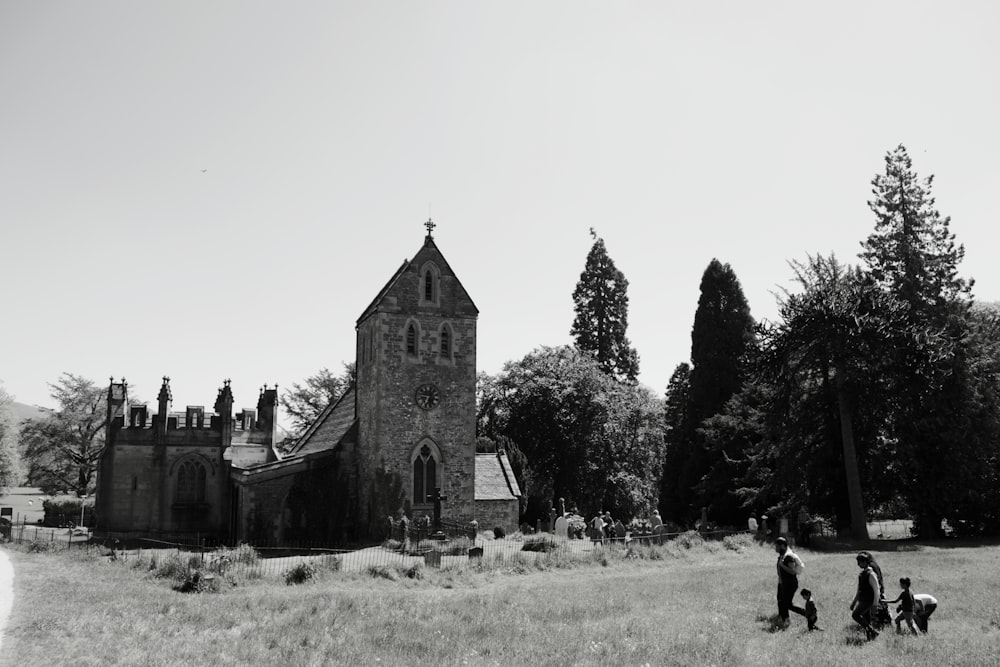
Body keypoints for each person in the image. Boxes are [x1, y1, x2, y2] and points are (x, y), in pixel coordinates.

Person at [774, 537, 806, 627]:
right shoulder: (782, 555)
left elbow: (792, 571)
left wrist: (781, 565)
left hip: (790, 584)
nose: (775, 548)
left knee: (787, 604)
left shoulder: (788, 556)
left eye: (777, 546)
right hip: (783, 583)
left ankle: (807, 613)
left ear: (783, 546)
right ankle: (784, 618)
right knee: (781, 601)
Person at [850, 552, 881, 640]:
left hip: (868, 600)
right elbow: (858, 590)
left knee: (855, 615)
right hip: (862, 599)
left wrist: (875, 604)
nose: (858, 564)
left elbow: (876, 590)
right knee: (867, 619)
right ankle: (870, 637)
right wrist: (854, 602)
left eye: (859, 562)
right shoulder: (862, 574)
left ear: (864, 562)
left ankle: (873, 631)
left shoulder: (871, 574)